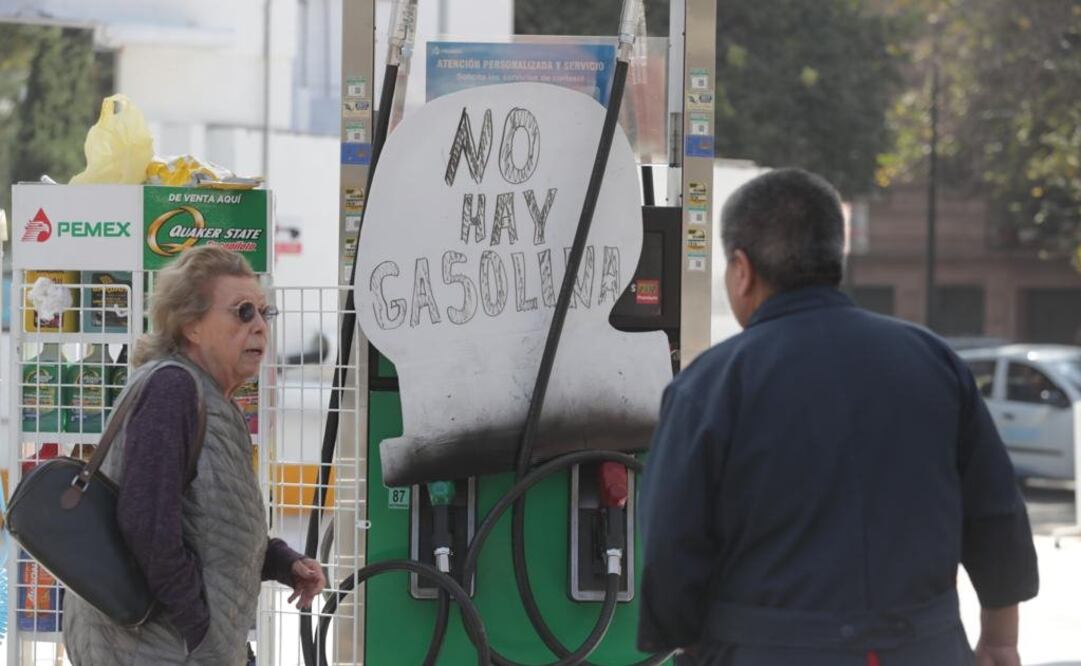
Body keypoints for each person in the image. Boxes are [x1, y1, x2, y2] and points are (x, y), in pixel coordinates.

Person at [637, 168, 1038, 666]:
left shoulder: (710, 386)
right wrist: (1000, 642)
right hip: (924, 648)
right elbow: (996, 512)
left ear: (742, 269)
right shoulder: (934, 363)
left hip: (765, 651)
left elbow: (670, 544)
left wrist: (696, 645)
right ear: (836, 257)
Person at [63, 245, 326, 665]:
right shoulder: (173, 391)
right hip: (152, 649)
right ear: (192, 326)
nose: (260, 326)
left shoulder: (209, 399)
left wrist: (282, 562)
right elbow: (147, 524)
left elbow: (206, 528)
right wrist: (199, 629)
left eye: (264, 312)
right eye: (243, 312)